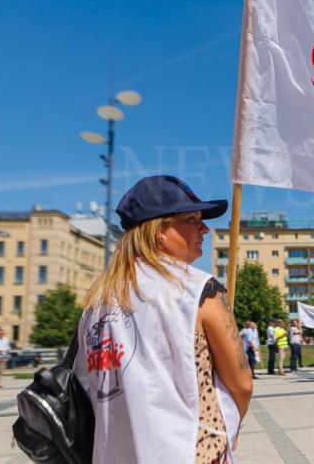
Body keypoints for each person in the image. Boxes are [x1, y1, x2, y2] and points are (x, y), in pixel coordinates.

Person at [74, 175, 253, 463]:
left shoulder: (97, 302)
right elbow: (242, 384)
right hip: (190, 452)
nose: (204, 228)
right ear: (159, 230)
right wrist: (233, 426)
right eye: (192, 219)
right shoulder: (200, 290)